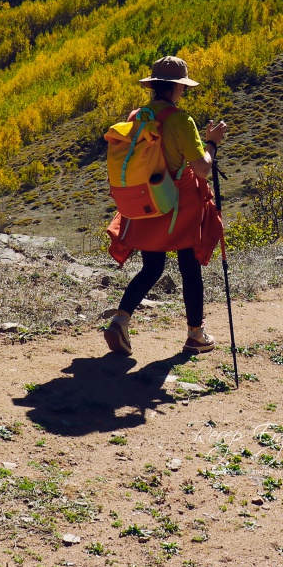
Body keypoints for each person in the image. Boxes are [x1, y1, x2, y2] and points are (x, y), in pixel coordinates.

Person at [103, 56, 227, 357]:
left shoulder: (138, 116)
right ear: (176, 88)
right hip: (177, 206)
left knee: (153, 266)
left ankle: (120, 319)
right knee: (189, 266)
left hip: (147, 201)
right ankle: (195, 335)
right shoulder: (180, 120)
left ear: (154, 86)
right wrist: (212, 143)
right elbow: (200, 168)